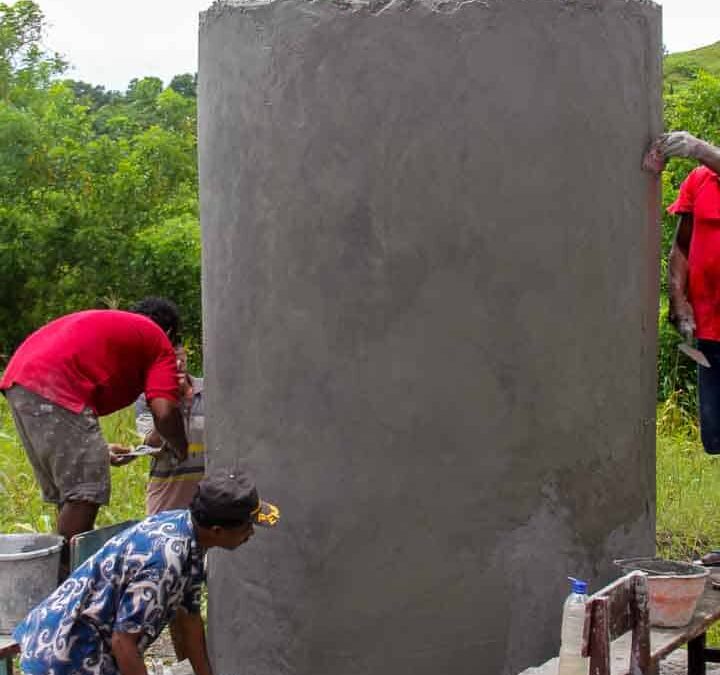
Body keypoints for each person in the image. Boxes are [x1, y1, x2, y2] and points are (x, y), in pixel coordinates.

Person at [12, 467, 280, 675]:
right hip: (64, 655)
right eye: (247, 526)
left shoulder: (189, 535)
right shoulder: (164, 562)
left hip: (88, 645)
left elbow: (189, 621)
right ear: (218, 531)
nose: (251, 533)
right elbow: (123, 643)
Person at [0, 297, 189, 579]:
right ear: (171, 333)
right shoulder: (158, 342)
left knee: (72, 493)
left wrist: (98, 450)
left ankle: (57, 578)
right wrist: (180, 447)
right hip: (54, 382)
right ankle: (62, 587)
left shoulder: (125, 332)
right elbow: (164, 412)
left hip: (23, 381)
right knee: (84, 494)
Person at [650, 132, 720, 565]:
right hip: (711, 330)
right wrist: (679, 300)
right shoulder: (699, 181)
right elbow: (681, 246)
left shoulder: (706, 161)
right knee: (719, 433)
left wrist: (700, 148)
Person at [133, 346, 206, 516]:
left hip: (208, 495)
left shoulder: (210, 389)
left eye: (180, 356)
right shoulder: (147, 397)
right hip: (167, 495)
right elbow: (151, 445)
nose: (178, 364)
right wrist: (171, 402)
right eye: (170, 360)